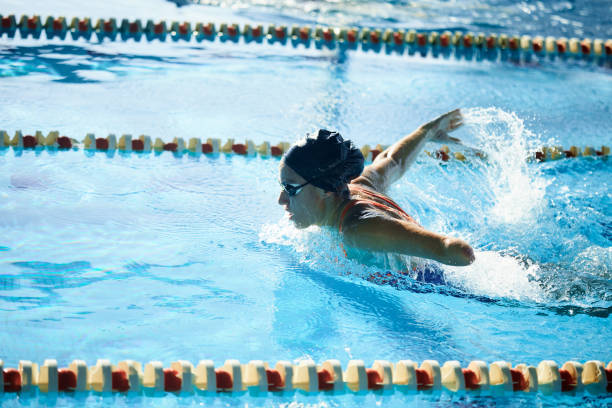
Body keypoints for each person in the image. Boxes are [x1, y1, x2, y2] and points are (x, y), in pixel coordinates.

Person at [277, 109, 475, 274]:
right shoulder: (357, 185)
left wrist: (453, 249)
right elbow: (392, 160)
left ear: (326, 189)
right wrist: (428, 131)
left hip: (441, 285)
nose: (281, 200)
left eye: (291, 189)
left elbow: (453, 251)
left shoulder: (360, 229)